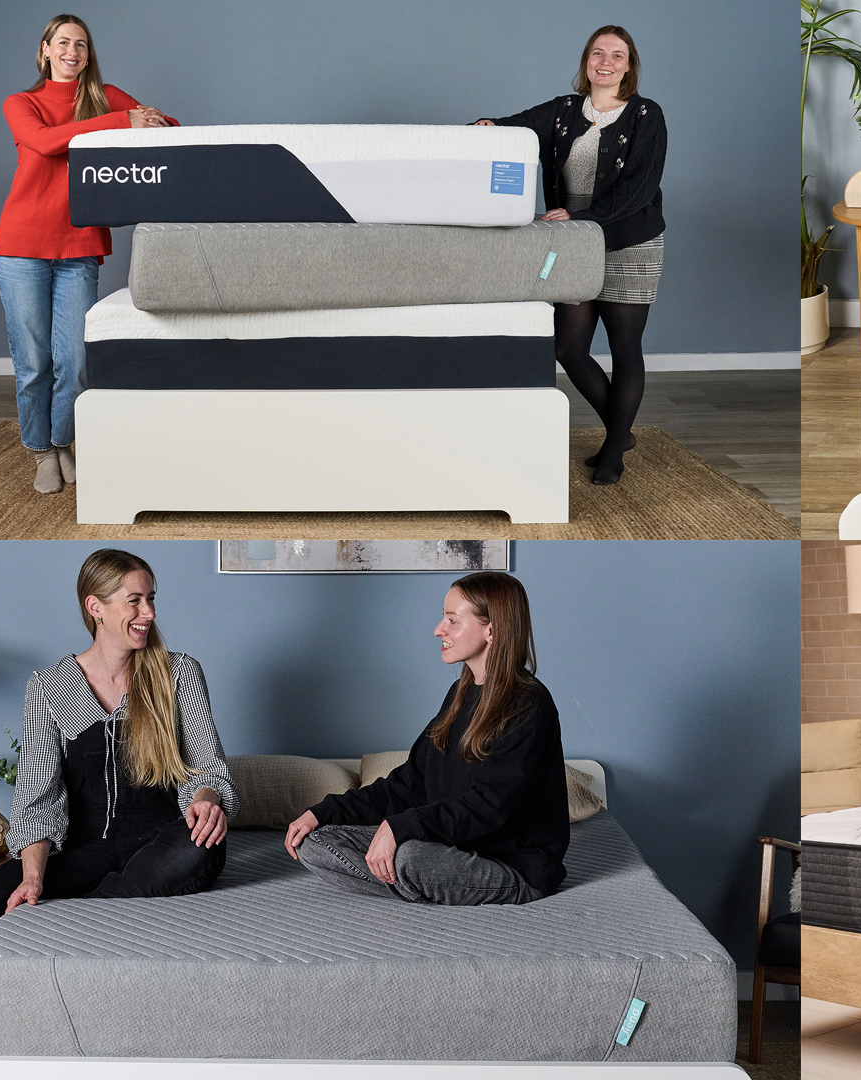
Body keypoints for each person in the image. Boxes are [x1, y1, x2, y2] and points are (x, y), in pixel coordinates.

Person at [0, 549, 233, 963]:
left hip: (162, 844)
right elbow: (37, 798)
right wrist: (34, 877)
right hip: (83, 851)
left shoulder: (180, 673)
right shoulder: (50, 688)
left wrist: (206, 799)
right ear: (95, 607)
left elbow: (206, 766)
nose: (149, 612)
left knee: (200, 847)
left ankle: (77, 912)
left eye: (151, 598)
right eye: (134, 600)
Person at [284, 571, 568, 906]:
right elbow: (408, 784)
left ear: (491, 630)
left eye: (452, 620)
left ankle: (411, 877)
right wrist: (323, 811)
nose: (438, 629)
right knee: (315, 841)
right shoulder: (459, 695)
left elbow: (486, 808)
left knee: (410, 857)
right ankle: (416, 883)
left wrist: (403, 827)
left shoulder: (528, 704)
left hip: (513, 865)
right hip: (451, 847)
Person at [473, 27, 667, 485]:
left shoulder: (646, 114)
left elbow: (640, 189)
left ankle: (613, 452)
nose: (606, 61)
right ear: (586, 61)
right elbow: (510, 130)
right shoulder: (562, 110)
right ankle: (621, 432)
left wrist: (584, 214)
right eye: (597, 53)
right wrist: (486, 128)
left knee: (624, 347)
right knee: (568, 346)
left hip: (630, 241)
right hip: (575, 240)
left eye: (616, 55)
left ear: (629, 64)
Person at [0, 14, 177, 496]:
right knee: (33, 361)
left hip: (78, 248)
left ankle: (62, 439)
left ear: (88, 54)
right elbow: (46, 142)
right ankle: (41, 451)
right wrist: (122, 120)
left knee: (74, 360)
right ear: (46, 50)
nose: (72, 51)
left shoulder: (104, 95)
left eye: (81, 44)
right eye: (63, 43)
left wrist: (149, 120)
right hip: (21, 248)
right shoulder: (23, 103)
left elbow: (171, 130)